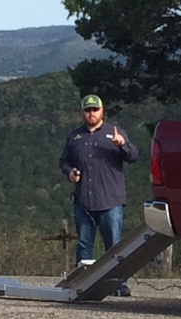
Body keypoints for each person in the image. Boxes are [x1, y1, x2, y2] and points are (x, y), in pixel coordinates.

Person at [59, 94, 139, 296]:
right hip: (84, 201)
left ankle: (119, 285)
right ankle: (82, 284)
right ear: (82, 112)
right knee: (84, 244)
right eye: (88, 110)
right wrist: (70, 172)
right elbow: (64, 161)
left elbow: (133, 156)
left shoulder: (114, 133)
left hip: (110, 200)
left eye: (95, 110)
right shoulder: (75, 137)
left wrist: (122, 144)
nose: (91, 113)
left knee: (113, 245)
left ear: (102, 111)